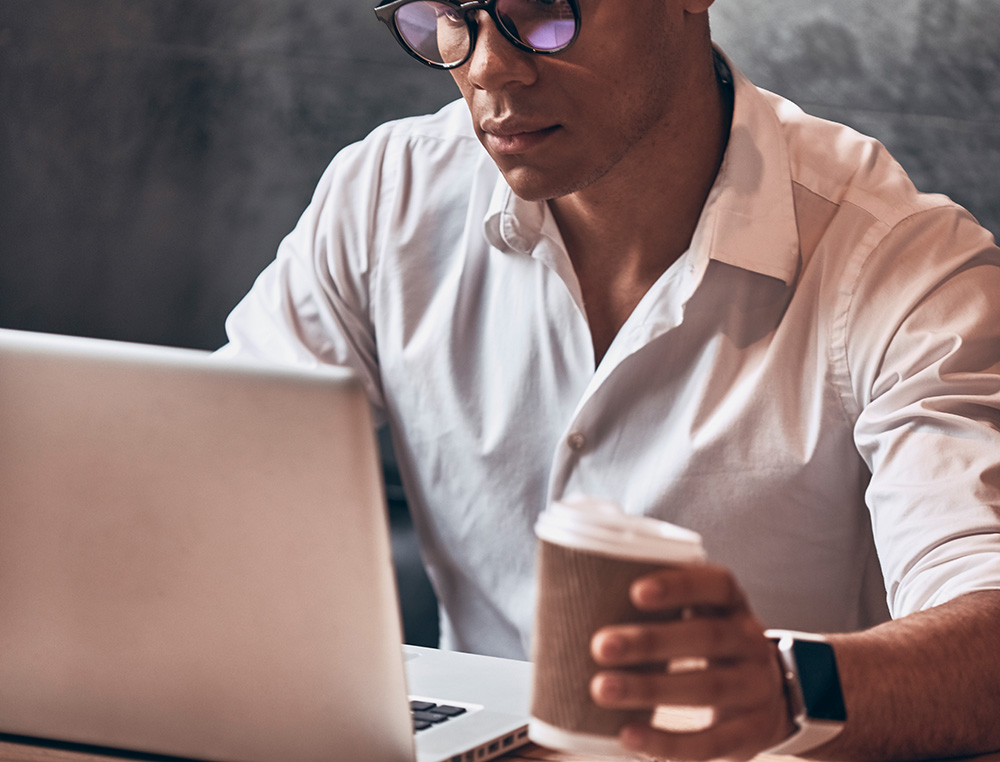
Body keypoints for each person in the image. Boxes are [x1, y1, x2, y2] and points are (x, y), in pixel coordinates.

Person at [220, 0, 1000, 759]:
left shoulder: (905, 268)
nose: (491, 69)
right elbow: (211, 481)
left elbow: (988, 632)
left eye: (544, 14)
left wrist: (786, 689)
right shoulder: (386, 196)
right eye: (450, 17)